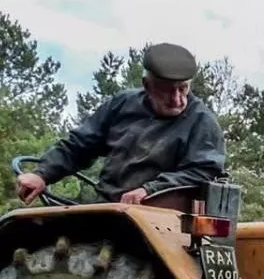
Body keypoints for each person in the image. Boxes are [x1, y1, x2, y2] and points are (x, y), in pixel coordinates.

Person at [16, 42, 227, 205]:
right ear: (147, 85)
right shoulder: (123, 104)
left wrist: (150, 190)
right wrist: (42, 174)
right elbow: (80, 145)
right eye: (167, 91)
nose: (178, 99)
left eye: (183, 89)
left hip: (164, 220)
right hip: (109, 209)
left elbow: (204, 171)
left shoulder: (201, 121)